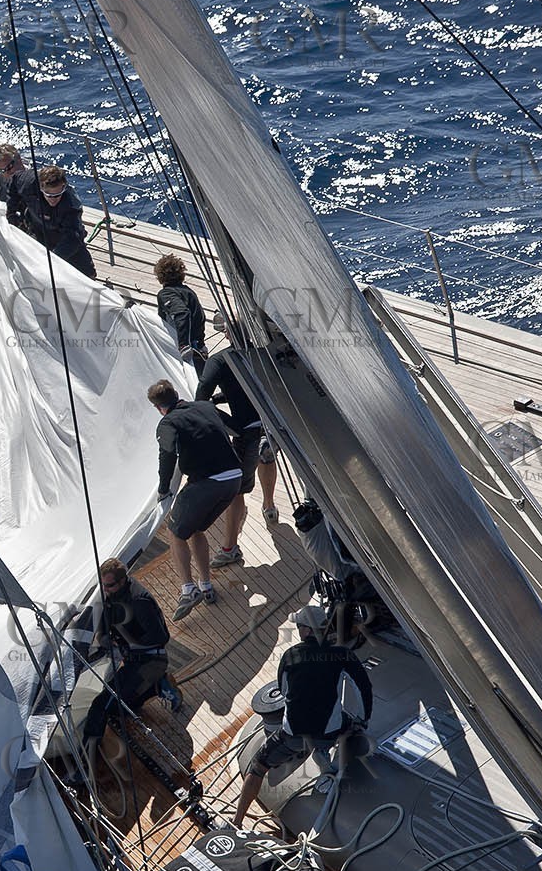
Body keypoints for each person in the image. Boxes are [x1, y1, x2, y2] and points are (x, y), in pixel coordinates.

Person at [232, 603, 373, 828]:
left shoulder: (289, 656)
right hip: (330, 732)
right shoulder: (342, 655)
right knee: (348, 723)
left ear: (307, 631)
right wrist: (362, 721)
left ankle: (236, 822)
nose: (298, 630)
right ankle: (324, 756)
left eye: (300, 626)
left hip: (292, 734)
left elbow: (284, 690)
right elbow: (363, 688)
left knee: (258, 766)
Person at [148, 378, 241, 619]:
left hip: (207, 483)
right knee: (196, 529)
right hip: (234, 479)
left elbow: (167, 455)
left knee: (176, 532)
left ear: (158, 408)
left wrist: (163, 488)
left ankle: (188, 589)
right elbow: (235, 428)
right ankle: (206, 586)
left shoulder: (167, 423)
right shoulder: (206, 406)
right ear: (177, 394)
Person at [67, 558, 177, 754]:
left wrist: (127, 643)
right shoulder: (112, 594)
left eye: (109, 585)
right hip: (131, 659)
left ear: (122, 581)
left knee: (101, 706)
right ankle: (156, 686)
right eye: (102, 585)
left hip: (149, 661)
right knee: (120, 709)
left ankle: (85, 761)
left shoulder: (139, 601)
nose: (105, 590)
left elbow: (161, 636)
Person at [194, 349, 280, 568]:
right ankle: (269, 506)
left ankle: (230, 549)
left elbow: (203, 388)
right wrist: (223, 397)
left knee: (236, 490)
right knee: (267, 459)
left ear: (226, 331)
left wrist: (203, 408)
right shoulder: (260, 350)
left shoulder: (221, 359)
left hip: (246, 429)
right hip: (273, 422)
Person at [8, 164, 97, 279]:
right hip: (37, 229)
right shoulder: (27, 181)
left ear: (64, 186)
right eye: (49, 195)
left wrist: (52, 259)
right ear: (41, 187)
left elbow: (73, 237)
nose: (53, 199)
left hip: (64, 238)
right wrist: (11, 212)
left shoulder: (71, 206)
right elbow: (14, 182)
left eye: (58, 195)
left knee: (87, 274)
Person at [154, 254, 207, 370]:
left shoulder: (167, 293)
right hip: (198, 349)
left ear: (160, 275)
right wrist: (201, 343)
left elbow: (181, 313)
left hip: (186, 353)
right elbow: (200, 317)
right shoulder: (188, 292)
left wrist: (183, 345)